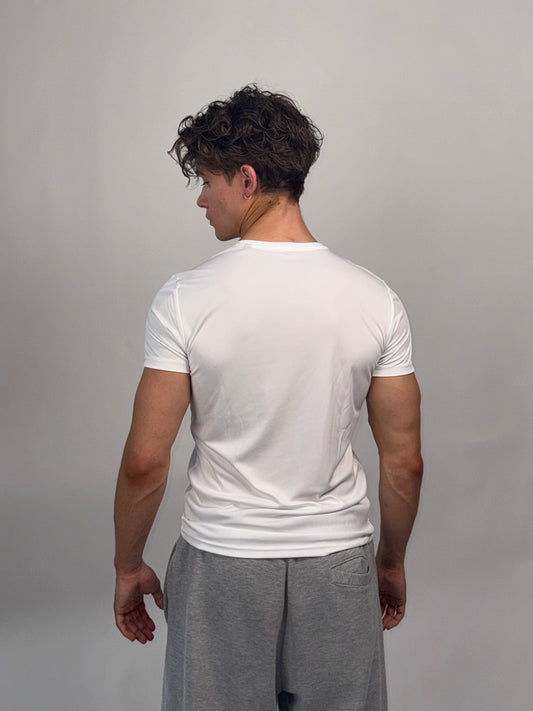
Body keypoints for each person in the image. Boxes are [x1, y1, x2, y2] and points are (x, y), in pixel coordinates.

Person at [113, 85, 423, 711]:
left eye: (207, 181)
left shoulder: (185, 299)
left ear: (247, 180)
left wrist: (127, 565)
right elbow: (404, 463)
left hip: (222, 563)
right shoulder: (376, 299)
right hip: (337, 565)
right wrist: (390, 562)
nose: (202, 199)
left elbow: (145, 463)